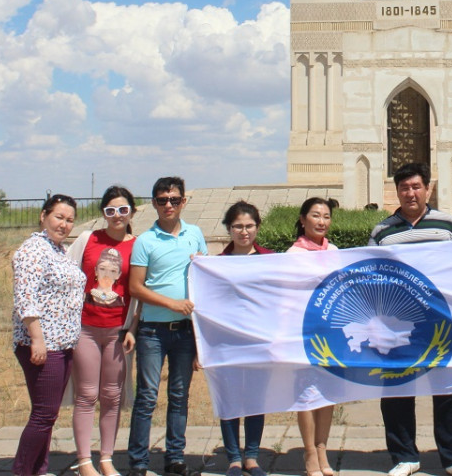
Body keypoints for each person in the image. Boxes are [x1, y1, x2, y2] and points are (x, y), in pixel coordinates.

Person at [368, 162, 452, 476]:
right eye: (404, 188)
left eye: (416, 187)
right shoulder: (382, 231)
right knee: (397, 389)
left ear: (427, 188)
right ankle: (404, 456)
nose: (410, 193)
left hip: (439, 322)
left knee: (447, 389)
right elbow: (372, 275)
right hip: (396, 324)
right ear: (397, 190)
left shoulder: (449, 226)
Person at [126, 176, 208, 476]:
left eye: (174, 199)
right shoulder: (145, 241)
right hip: (153, 331)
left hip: (185, 332)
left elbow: (206, 279)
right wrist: (172, 304)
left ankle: (175, 457)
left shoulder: (195, 234)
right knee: (147, 396)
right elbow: (136, 287)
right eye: (162, 200)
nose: (169, 205)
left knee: (179, 395)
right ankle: (138, 461)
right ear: (154, 203)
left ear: (183, 201)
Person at [11, 194, 85, 476]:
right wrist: (38, 339)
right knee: (43, 415)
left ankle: (38, 469)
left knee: (48, 414)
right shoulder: (32, 251)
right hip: (44, 344)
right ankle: (22, 471)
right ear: (44, 216)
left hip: (63, 343)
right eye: (59, 217)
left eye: (69, 220)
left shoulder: (59, 250)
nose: (64, 224)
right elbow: (25, 299)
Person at [68, 186, 139, 476]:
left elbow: (138, 292)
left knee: (112, 395)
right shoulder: (89, 239)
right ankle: (85, 460)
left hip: (118, 331)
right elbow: (67, 273)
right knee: (86, 394)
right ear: (103, 214)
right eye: (110, 210)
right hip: (85, 327)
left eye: (123, 210)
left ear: (132, 211)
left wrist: (132, 327)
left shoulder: (138, 245)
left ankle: (106, 458)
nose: (117, 216)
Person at [216, 201, 273, 476]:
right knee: (229, 399)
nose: (244, 231)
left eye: (249, 226)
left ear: (257, 227)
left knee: (254, 399)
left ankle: (252, 456)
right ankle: (233, 459)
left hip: (258, 341)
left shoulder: (270, 260)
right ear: (229, 229)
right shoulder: (216, 264)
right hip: (227, 343)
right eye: (238, 226)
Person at [286, 197, 340, 476]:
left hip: (330, 333)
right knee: (306, 394)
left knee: (327, 392)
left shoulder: (334, 250)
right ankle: (309, 452)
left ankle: (322, 448)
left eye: (326, 216)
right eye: (316, 215)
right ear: (303, 218)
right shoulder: (293, 254)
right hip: (303, 332)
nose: (321, 221)